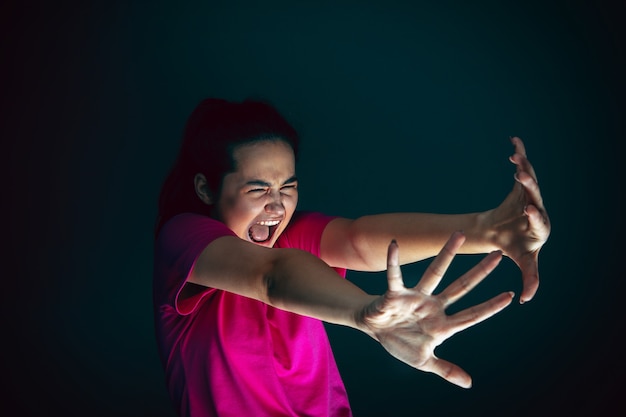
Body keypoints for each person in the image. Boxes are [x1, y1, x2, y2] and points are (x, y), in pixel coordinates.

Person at [153, 97, 550, 417]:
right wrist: (367, 314)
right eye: (258, 190)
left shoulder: (293, 235)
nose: (277, 206)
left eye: (287, 186)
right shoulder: (184, 239)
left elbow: (360, 240)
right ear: (206, 189)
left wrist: (493, 230)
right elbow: (271, 277)